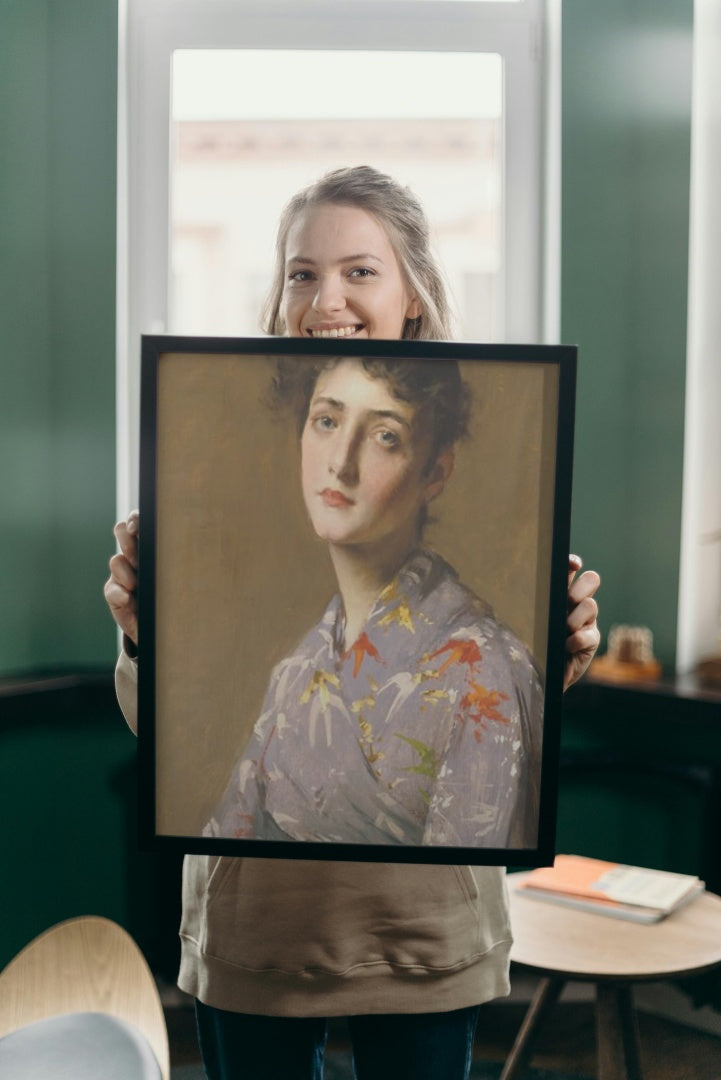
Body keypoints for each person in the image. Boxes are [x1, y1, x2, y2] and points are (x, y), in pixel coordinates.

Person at [105, 166, 601, 1080]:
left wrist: (552, 662)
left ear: (412, 292)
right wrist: (145, 637)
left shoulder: (479, 657)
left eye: (359, 271)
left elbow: (494, 779)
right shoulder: (296, 651)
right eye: (301, 272)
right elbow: (172, 755)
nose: (325, 297)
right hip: (253, 938)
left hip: (414, 944)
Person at [203, 354, 543, 849]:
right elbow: (226, 854)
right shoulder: (300, 670)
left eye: (386, 436)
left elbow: (459, 895)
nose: (340, 462)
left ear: (435, 472)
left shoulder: (485, 671)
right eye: (326, 421)